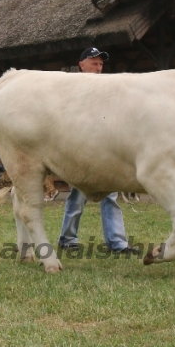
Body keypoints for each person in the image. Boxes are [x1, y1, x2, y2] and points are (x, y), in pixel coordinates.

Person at [57, 47, 139, 256]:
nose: (98, 67)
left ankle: (117, 244)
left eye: (101, 64)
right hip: (80, 150)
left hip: (105, 150)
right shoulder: (70, 89)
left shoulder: (108, 89)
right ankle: (67, 239)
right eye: (94, 63)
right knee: (78, 194)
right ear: (81, 64)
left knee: (110, 194)